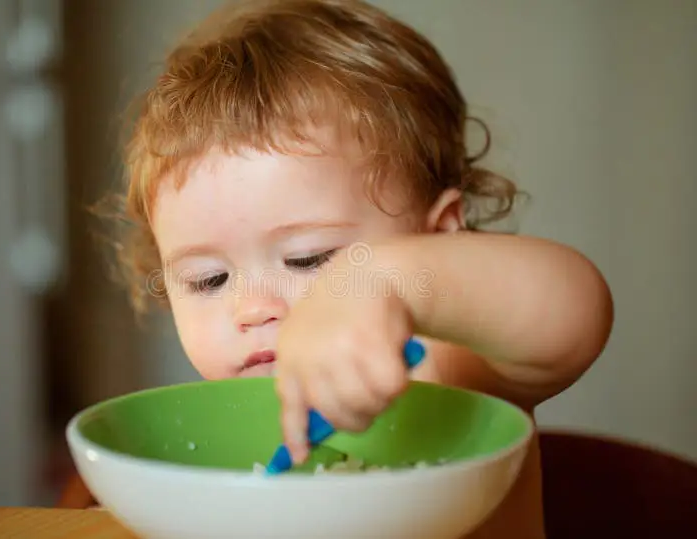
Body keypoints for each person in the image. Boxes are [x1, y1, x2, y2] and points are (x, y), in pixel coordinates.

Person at [101, 1, 614, 537]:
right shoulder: (221, 419)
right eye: (209, 279)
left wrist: (379, 282)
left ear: (437, 235)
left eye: (310, 259)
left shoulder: (453, 366)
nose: (251, 308)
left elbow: (576, 311)